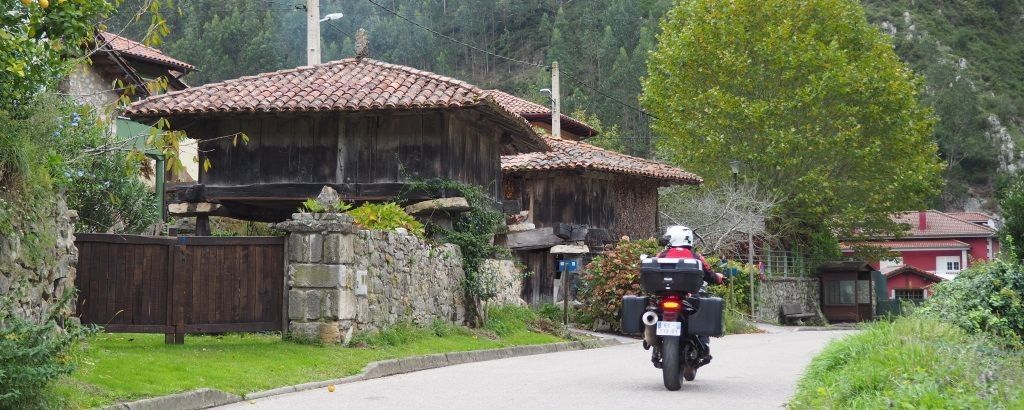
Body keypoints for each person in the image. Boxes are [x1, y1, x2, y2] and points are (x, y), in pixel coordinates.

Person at [656, 225, 723, 370]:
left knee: (654, 310)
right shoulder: (696, 257)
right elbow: (710, 275)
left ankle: (653, 338)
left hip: (664, 295)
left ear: (673, 238)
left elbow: (652, 269)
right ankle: (703, 342)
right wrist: (718, 278)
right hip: (689, 296)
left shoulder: (662, 255)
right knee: (700, 313)